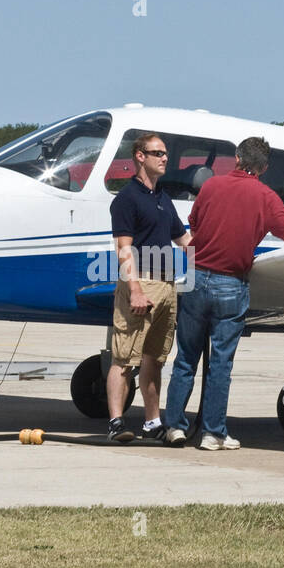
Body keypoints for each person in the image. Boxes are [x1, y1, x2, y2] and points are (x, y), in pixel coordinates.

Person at [164, 136, 284, 450]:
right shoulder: (266, 197)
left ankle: (174, 427)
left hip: (195, 279)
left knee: (186, 359)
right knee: (220, 363)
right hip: (231, 284)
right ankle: (212, 433)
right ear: (264, 167)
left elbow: (194, 227)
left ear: (236, 158)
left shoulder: (211, 187)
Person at [105, 133, 193, 442]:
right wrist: (136, 290)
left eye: (165, 153)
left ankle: (152, 423)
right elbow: (123, 248)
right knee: (124, 358)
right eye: (157, 153)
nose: (164, 158)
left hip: (166, 287)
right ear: (140, 156)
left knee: (154, 359)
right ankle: (116, 422)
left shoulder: (162, 198)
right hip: (140, 284)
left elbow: (185, 241)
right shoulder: (127, 199)